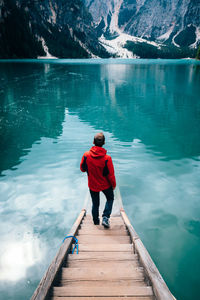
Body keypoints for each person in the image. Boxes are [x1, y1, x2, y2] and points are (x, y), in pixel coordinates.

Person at [80, 132, 116, 228]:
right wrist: (113, 185)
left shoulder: (86, 155)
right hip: (105, 185)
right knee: (110, 198)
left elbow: (82, 169)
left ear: (93, 142)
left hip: (92, 184)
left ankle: (96, 222)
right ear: (104, 143)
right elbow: (111, 175)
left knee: (95, 204)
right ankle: (105, 217)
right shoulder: (107, 158)